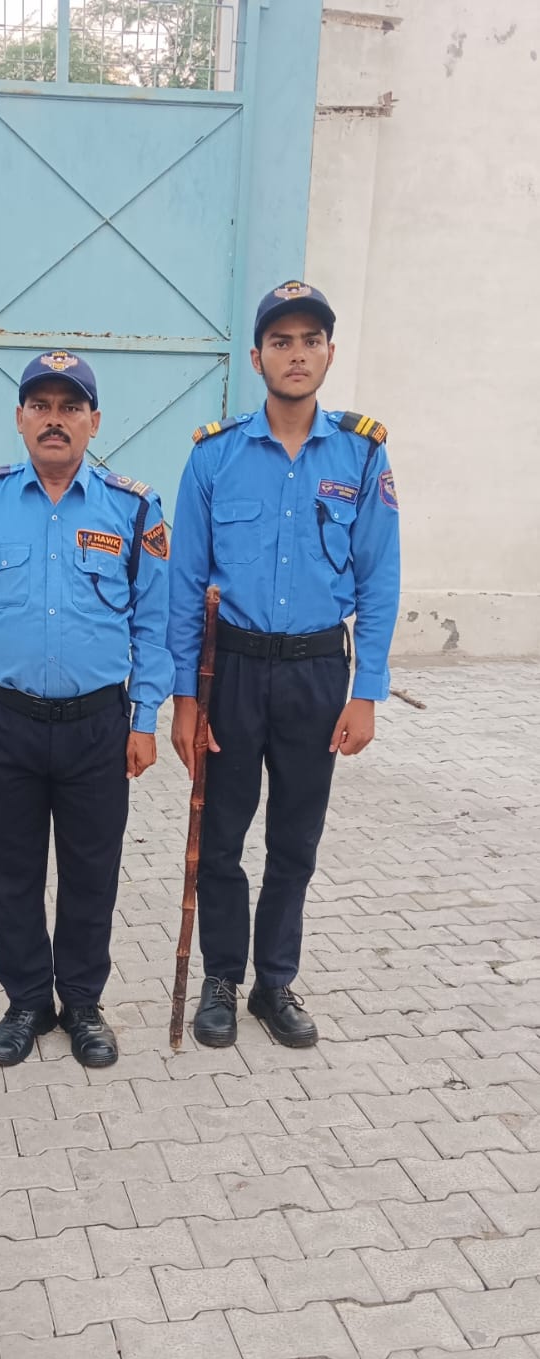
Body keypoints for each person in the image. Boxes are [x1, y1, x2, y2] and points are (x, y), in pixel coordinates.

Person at [169, 280, 400, 1049]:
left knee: (294, 841)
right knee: (222, 839)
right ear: (256, 355)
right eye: (281, 341)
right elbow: (183, 581)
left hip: (313, 673)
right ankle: (219, 981)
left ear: (328, 352)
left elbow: (378, 575)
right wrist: (182, 698)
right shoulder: (213, 456)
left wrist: (365, 690)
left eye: (309, 340)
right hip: (230, 672)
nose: (295, 355)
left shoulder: (362, 453)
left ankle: (274, 983)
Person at [0, 351, 172, 1068]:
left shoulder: (132, 507)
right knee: (10, 870)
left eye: (71, 407)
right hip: (3, 720)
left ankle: (84, 1004)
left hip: (98, 724)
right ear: (20, 419)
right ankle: (27, 1001)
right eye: (41, 405)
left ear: (94, 422)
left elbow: (152, 625)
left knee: (91, 871)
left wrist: (145, 717)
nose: (55, 419)